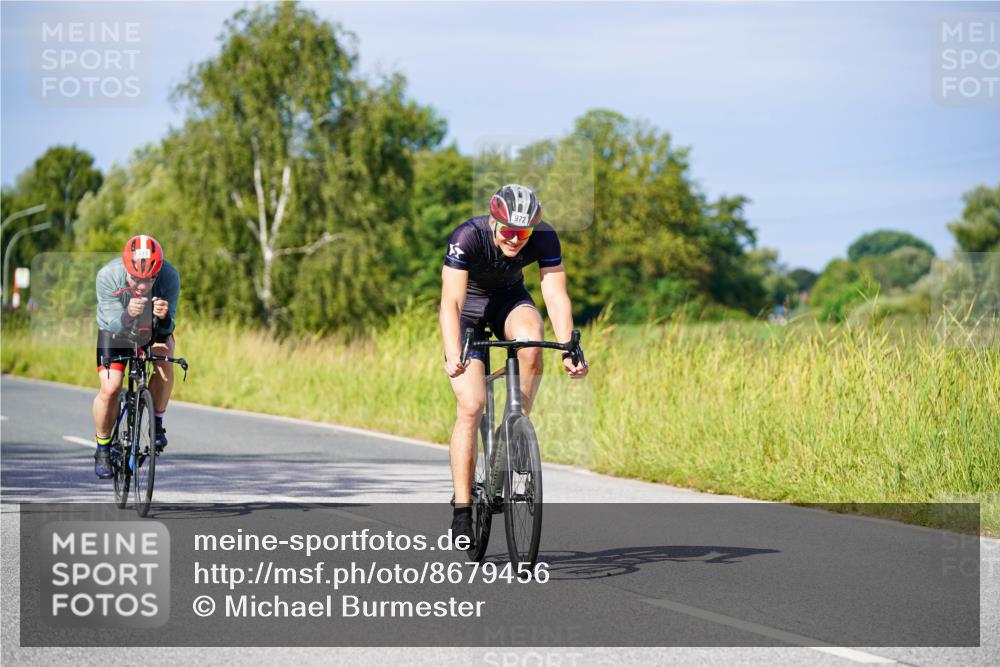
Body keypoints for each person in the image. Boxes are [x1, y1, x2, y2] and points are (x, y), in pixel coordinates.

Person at [439, 184, 588, 543]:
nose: (516, 240)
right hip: (469, 311)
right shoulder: (468, 236)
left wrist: (569, 347)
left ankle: (514, 429)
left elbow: (555, 294)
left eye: (524, 233)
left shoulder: (545, 237)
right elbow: (451, 303)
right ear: (494, 222)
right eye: (508, 231)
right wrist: (452, 351)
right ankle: (462, 508)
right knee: (471, 406)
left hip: (510, 300)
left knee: (532, 343)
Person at [92, 235, 180, 479]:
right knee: (111, 387)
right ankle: (102, 447)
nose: (142, 285)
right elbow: (112, 322)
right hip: (115, 328)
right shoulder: (107, 276)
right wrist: (128, 315)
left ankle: (157, 422)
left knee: (165, 354)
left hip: (151, 328)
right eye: (136, 279)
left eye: (149, 279)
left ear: (158, 271)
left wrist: (164, 318)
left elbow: (167, 330)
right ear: (126, 269)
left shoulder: (170, 277)